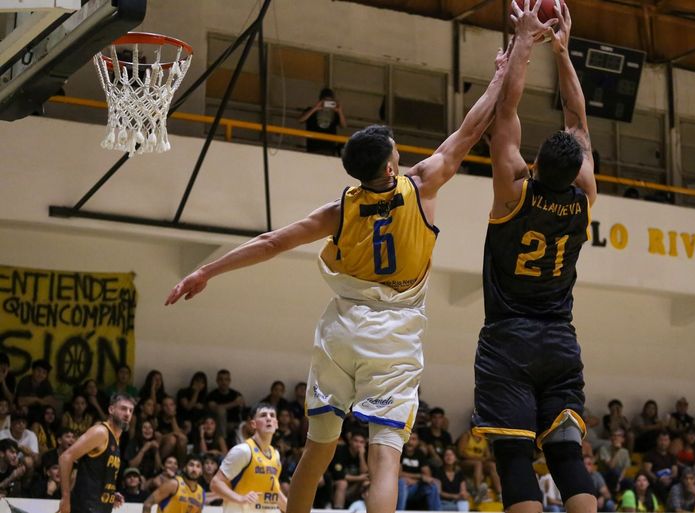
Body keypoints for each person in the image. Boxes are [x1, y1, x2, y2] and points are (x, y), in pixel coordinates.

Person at [166, 29, 510, 513]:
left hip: (341, 331)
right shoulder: (422, 184)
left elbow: (271, 243)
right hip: (393, 335)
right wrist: (500, 74)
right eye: (395, 151)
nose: (400, 153)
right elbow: (472, 128)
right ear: (390, 169)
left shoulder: (339, 210)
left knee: (317, 450)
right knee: (385, 457)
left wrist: (206, 271)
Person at [471, 4, 596, 513]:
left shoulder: (513, 193)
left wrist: (524, 41)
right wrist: (563, 52)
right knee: (567, 455)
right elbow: (578, 118)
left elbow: (506, 113)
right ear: (579, 166)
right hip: (560, 339)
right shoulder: (584, 198)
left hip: (509, 339)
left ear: (537, 161)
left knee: (515, 458)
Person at [58, 393, 135, 513]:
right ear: (111, 409)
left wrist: (109, 495)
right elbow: (65, 458)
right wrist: (65, 498)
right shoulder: (101, 432)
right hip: (84, 508)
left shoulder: (115, 439)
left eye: (131, 410)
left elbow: (97, 475)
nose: (127, 414)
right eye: (123, 408)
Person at [210, 403, 286, 512]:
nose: (269, 418)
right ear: (253, 424)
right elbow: (216, 484)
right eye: (263, 415)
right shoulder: (243, 451)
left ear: (277, 424)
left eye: (272, 415)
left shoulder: (276, 455)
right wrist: (241, 498)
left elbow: (274, 491)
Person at [298, 88, 347, 156]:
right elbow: (301, 120)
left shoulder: (335, 114)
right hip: (313, 149)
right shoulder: (311, 111)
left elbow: (343, 125)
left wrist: (340, 111)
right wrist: (315, 108)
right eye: (326, 101)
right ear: (321, 100)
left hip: (329, 150)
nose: (328, 103)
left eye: (330, 101)